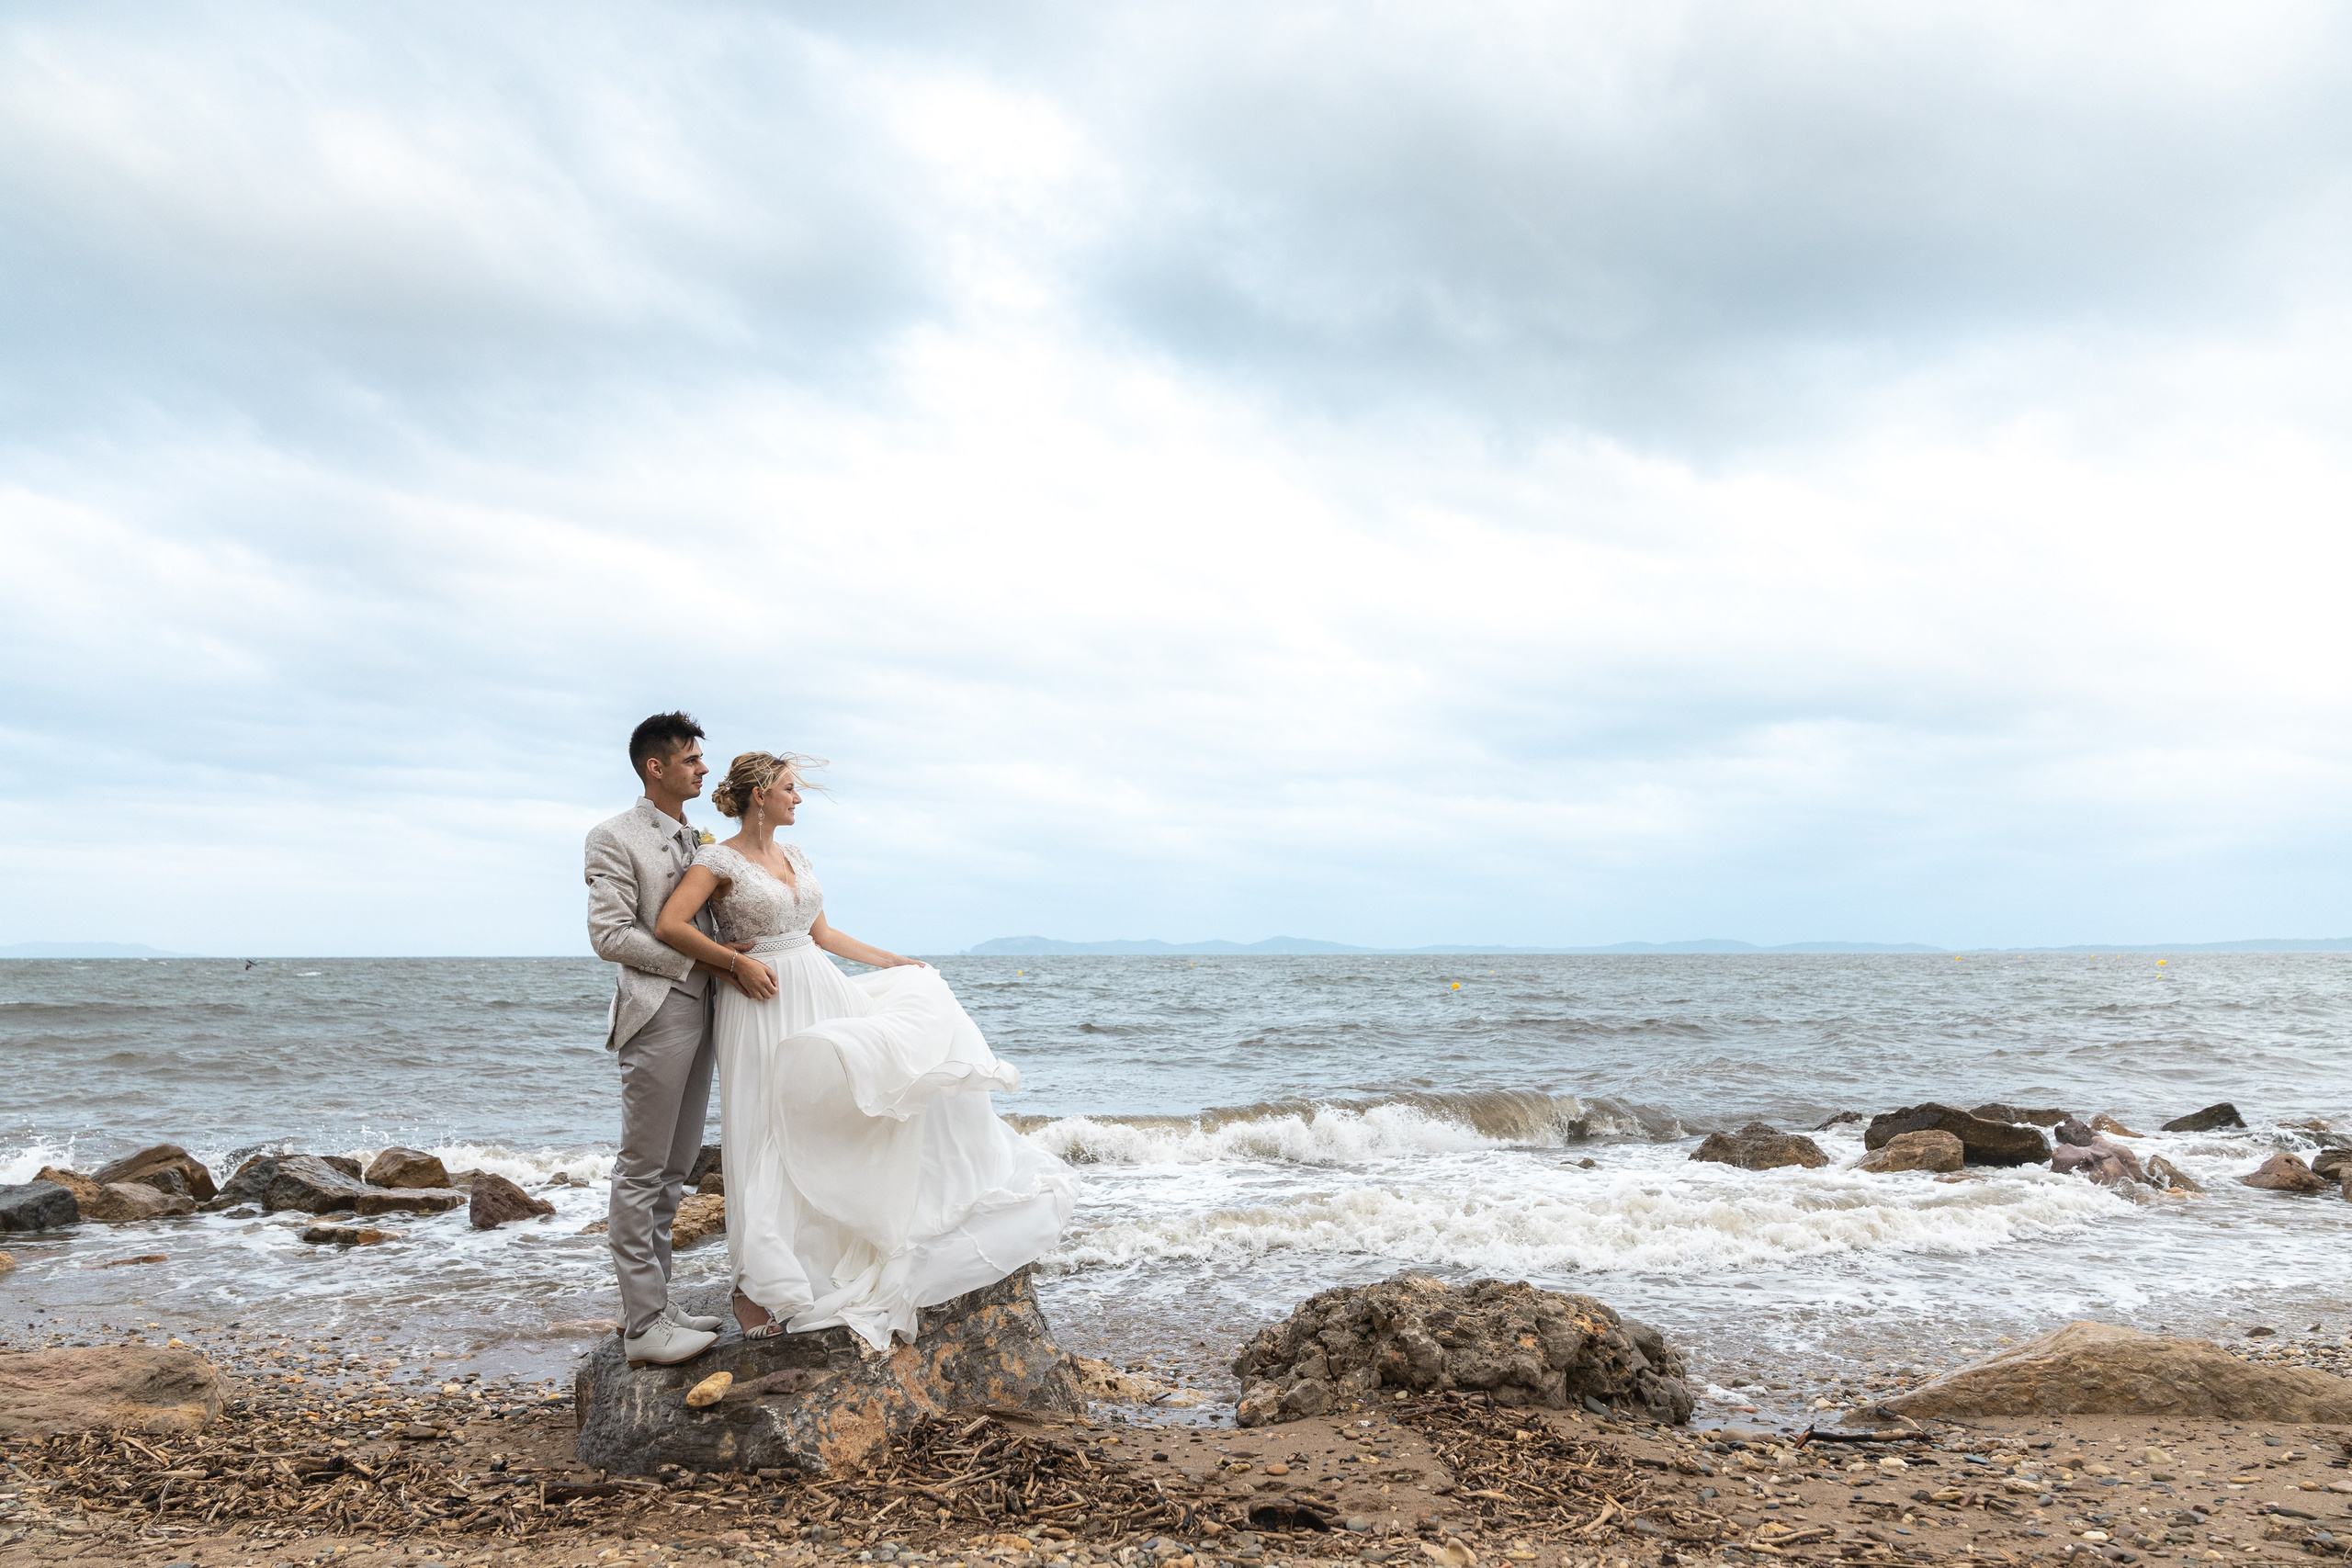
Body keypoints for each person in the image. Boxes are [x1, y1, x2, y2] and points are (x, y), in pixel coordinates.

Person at [654, 750, 1076, 1351]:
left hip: (819, 987)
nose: (797, 799)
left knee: (841, 1114)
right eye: (790, 789)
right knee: (762, 1126)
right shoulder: (718, 858)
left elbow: (823, 935)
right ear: (759, 795)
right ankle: (751, 1284)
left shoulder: (796, 855)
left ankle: (813, 1259)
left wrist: (892, 960)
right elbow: (671, 923)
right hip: (759, 998)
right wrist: (733, 962)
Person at [583, 712, 753, 1368]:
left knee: (675, 1170)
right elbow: (608, 935)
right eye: (691, 759)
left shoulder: (696, 836)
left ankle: (653, 1303)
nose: (703, 768)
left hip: (708, 1011)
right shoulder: (612, 837)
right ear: (656, 767)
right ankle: (643, 1325)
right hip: (657, 1011)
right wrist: (700, 960)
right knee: (640, 1169)